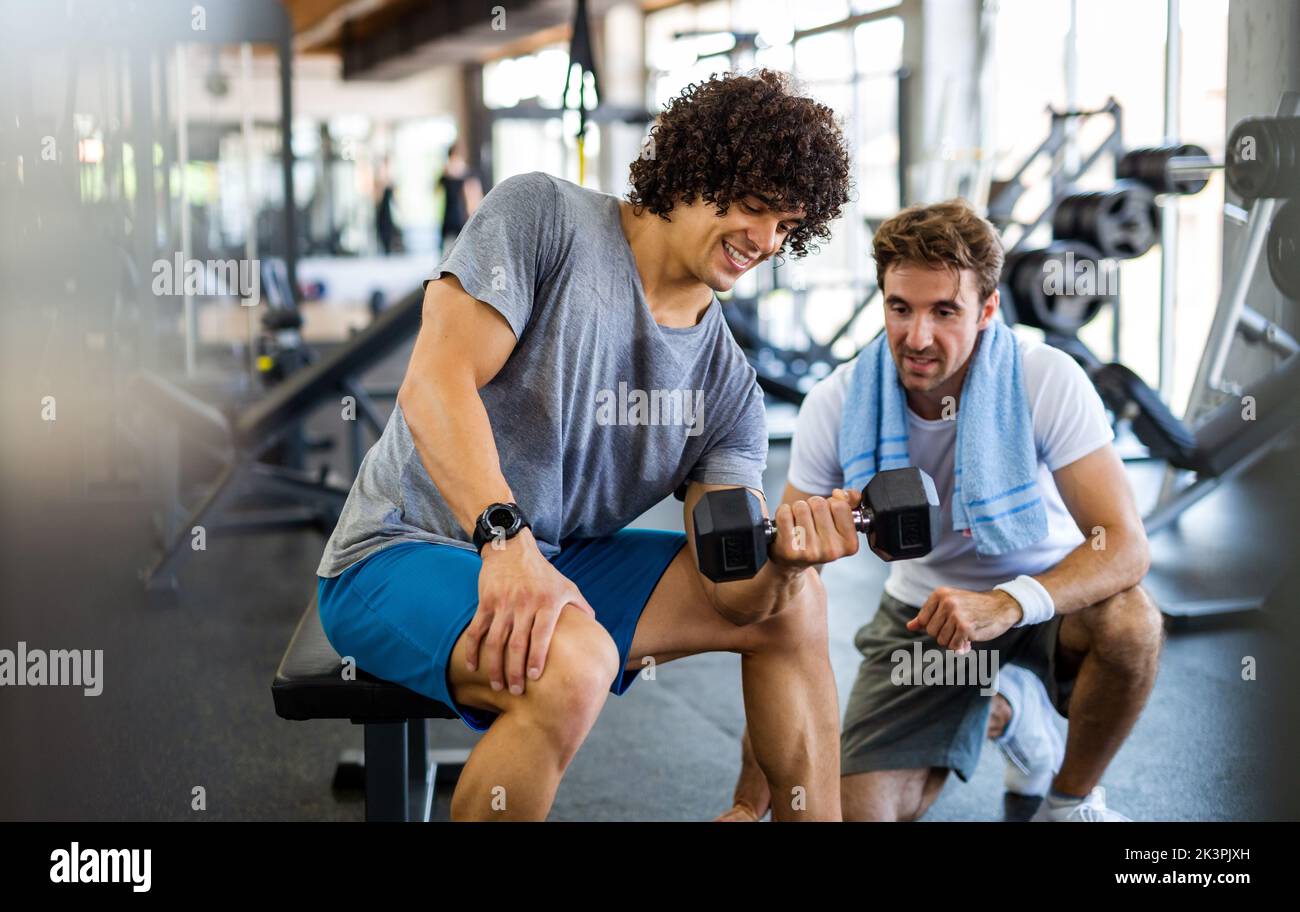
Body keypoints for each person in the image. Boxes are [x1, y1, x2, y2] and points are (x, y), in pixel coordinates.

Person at [314, 70, 854, 821]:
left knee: (794, 611)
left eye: (788, 225)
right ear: (696, 168)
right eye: (755, 207)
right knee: (576, 663)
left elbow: (734, 591)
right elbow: (434, 386)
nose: (765, 242)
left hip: (556, 564)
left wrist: (784, 567)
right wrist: (506, 546)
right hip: (400, 549)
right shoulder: (541, 217)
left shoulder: (728, 387)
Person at [717, 200, 1162, 823]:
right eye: (900, 308)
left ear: (986, 310)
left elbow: (1122, 543)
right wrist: (748, 801)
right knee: (856, 814)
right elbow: (777, 602)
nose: (917, 337)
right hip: (924, 618)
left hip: (1051, 603)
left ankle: (1070, 801)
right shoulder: (837, 401)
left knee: (1132, 622)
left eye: (944, 311)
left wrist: (1008, 603)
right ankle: (1006, 708)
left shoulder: (1047, 380)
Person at [437, 141, 481, 255]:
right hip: (448, 217)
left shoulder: (468, 175)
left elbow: (474, 198)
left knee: (462, 252)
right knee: (445, 252)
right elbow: (436, 190)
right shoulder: (445, 175)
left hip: (462, 218)